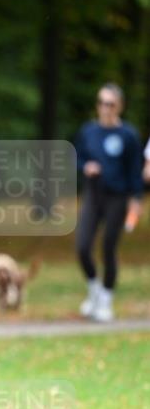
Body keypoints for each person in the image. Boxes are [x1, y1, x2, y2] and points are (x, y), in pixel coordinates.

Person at [74, 82, 144, 322]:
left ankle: (106, 298)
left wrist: (136, 199)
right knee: (82, 246)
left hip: (117, 197)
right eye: (102, 103)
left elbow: (136, 171)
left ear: (120, 107)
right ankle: (94, 289)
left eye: (110, 104)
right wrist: (86, 167)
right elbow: (77, 157)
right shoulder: (88, 131)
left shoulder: (129, 136)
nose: (105, 108)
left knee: (108, 248)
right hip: (94, 195)